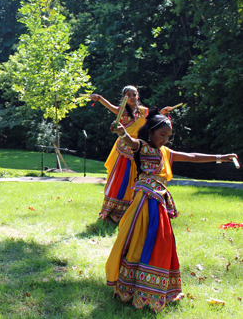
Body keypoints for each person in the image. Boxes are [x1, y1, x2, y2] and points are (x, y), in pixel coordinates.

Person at [105, 109, 237, 312]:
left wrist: (221, 157)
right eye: (162, 134)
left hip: (158, 200)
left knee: (161, 239)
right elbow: (131, 142)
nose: (165, 139)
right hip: (145, 201)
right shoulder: (142, 146)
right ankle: (135, 286)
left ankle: (150, 285)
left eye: (168, 136)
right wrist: (121, 131)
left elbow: (193, 156)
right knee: (144, 237)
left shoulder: (166, 152)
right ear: (150, 132)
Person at [91, 86, 171, 222]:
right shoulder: (121, 111)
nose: (132, 97)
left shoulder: (144, 111)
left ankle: (133, 210)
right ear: (124, 98)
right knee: (121, 179)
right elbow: (109, 105)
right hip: (124, 150)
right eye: (129, 95)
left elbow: (154, 120)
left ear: (138, 96)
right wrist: (99, 98)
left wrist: (163, 112)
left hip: (138, 149)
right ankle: (113, 212)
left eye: (134, 95)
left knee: (135, 178)